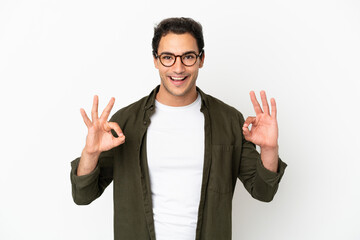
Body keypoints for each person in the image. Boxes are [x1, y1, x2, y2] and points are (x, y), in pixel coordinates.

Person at [70, 17, 287, 240]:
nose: (178, 67)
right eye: (167, 57)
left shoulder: (229, 120)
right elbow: (83, 195)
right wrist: (91, 153)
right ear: (155, 60)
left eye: (188, 57)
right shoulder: (125, 122)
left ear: (201, 59)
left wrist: (270, 149)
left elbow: (264, 192)